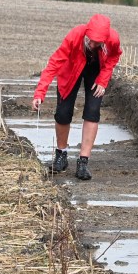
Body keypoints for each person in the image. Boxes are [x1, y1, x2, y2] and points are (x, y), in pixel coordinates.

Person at [32, 14, 122, 181]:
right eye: (91, 40)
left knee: (92, 111)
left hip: (96, 72)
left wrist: (103, 79)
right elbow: (54, 64)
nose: (93, 45)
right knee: (63, 113)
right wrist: (40, 93)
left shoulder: (113, 39)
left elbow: (114, 56)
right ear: (86, 33)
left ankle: (83, 162)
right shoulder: (75, 35)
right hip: (71, 70)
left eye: (98, 42)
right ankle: (61, 155)